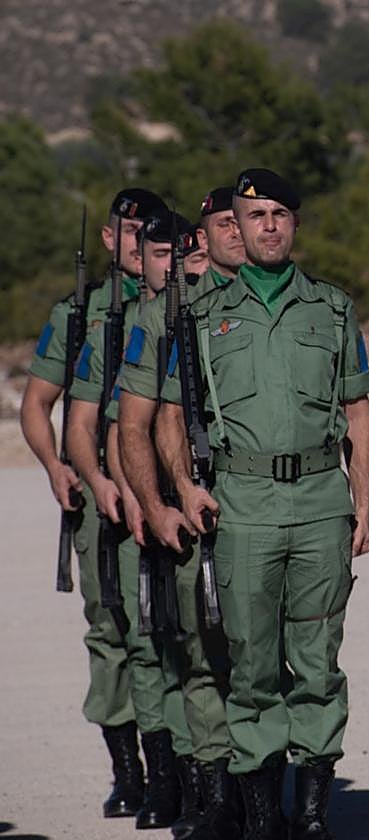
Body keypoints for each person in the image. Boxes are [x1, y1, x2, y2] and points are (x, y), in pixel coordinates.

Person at [159, 168, 369, 840]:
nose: (270, 226)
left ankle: (310, 814)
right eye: (256, 217)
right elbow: (169, 414)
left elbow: (359, 410)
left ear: (295, 223)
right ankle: (260, 815)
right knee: (251, 665)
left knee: (316, 661)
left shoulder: (332, 309)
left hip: (319, 501)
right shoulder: (198, 314)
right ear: (237, 227)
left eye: (281, 214)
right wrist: (186, 486)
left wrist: (364, 501)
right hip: (243, 505)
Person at [19, 187, 162, 820]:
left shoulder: (177, 299)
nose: (136, 244)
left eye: (147, 233)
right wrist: (57, 467)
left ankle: (175, 766)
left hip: (160, 491)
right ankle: (126, 767)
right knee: (111, 630)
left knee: (168, 631)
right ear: (109, 239)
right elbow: (37, 403)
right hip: (99, 494)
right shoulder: (80, 313)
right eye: (127, 233)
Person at [117, 191, 244, 838]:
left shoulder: (237, 309)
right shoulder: (147, 322)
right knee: (184, 651)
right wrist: (148, 500)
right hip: (179, 504)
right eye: (158, 252)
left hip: (250, 503)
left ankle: (258, 795)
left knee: (251, 655)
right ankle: (196, 790)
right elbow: (122, 425)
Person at [68, 204, 196, 831]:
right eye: (159, 252)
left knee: (204, 649)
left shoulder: (208, 316)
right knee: (139, 644)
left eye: (179, 252)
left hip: (203, 504)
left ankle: (211, 781)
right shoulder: (111, 325)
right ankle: (156, 780)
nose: (170, 264)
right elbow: (102, 425)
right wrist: (109, 485)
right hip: (137, 506)